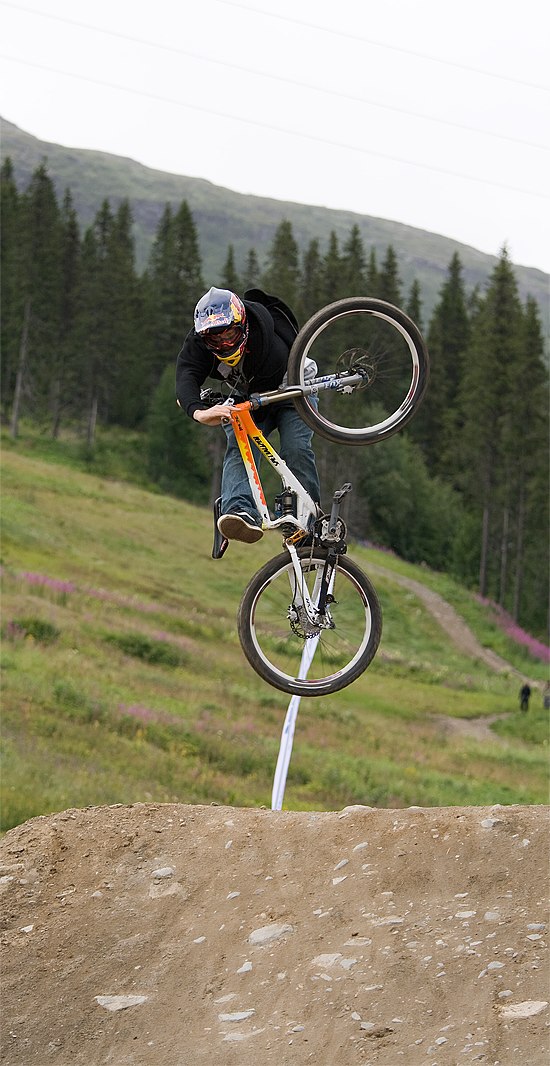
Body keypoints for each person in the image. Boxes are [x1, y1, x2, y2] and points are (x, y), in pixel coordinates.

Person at [176, 287, 321, 544]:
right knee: (239, 447)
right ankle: (239, 510)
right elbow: (186, 378)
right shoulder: (199, 343)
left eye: (230, 334)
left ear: (242, 325)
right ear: (203, 337)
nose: (224, 344)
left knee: (296, 447)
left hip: (291, 389)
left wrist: (225, 408)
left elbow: (263, 387)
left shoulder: (264, 338)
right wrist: (199, 412)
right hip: (250, 396)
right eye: (215, 340)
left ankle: (307, 518)